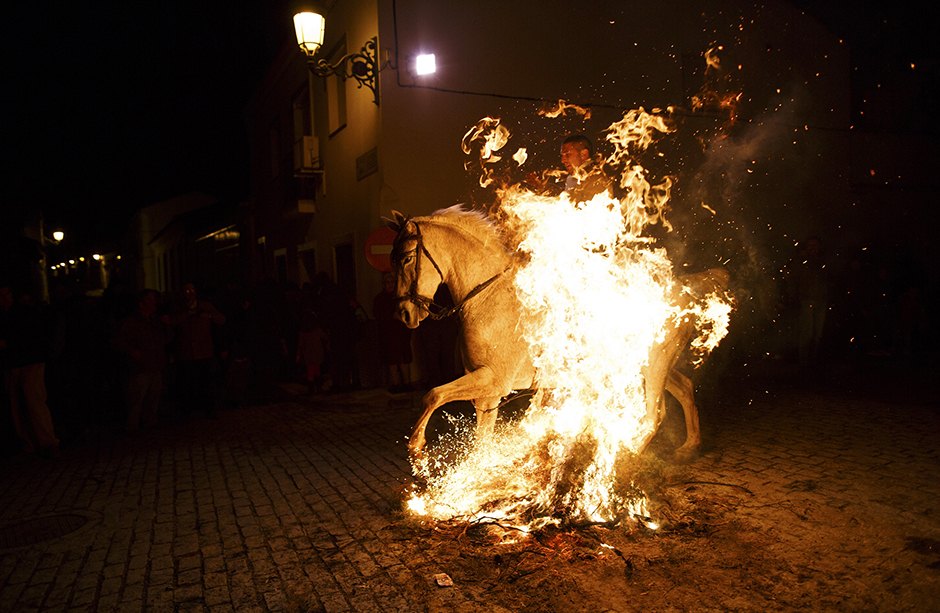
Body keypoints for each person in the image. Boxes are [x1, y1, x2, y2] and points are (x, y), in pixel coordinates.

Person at [1, 284, 60, 458]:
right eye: (1, 295)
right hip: (13, 364)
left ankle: (48, 442)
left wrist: (8, 344)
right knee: (18, 407)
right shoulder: (6, 314)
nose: (6, 298)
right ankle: (30, 444)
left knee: (35, 402)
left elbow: (30, 336)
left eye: (7, 293)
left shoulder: (21, 312)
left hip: (30, 362)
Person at [166, 283, 226, 418]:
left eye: (192, 290)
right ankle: (188, 408)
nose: (190, 293)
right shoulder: (178, 308)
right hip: (186, 353)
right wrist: (188, 313)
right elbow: (172, 321)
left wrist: (210, 316)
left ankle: (208, 408)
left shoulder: (206, 306)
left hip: (203, 351)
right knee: (187, 383)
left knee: (206, 382)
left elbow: (222, 319)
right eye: (187, 290)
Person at [115, 290, 171, 432]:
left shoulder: (155, 320)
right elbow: (118, 341)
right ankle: (132, 426)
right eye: (151, 300)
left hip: (155, 364)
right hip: (140, 367)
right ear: (142, 304)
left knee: (153, 396)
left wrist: (168, 326)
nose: (154, 303)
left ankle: (150, 422)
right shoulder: (131, 322)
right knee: (137, 399)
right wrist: (132, 351)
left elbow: (166, 339)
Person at [373, 273, 413, 393]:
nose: (390, 285)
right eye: (388, 282)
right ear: (384, 284)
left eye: (392, 282)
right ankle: (395, 384)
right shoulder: (380, 299)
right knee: (392, 360)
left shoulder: (401, 297)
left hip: (402, 334)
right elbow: (378, 314)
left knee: (404, 359)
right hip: (388, 334)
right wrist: (391, 316)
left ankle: (406, 383)